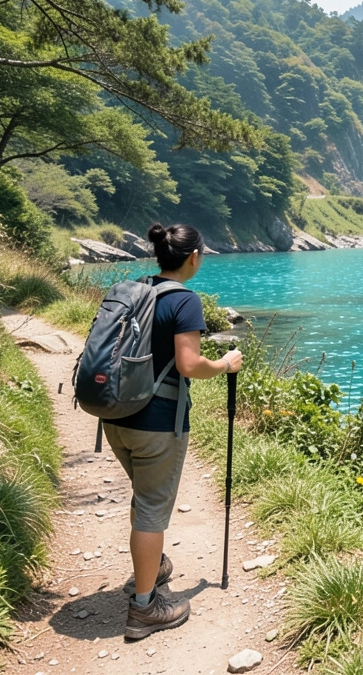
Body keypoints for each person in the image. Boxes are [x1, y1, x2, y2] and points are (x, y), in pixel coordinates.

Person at [102, 222, 243, 640]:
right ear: (193, 257)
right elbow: (189, 364)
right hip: (157, 423)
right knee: (151, 508)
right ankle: (144, 608)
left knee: (144, 496)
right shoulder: (185, 301)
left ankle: (155, 565)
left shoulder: (138, 289)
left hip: (115, 416)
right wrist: (224, 364)